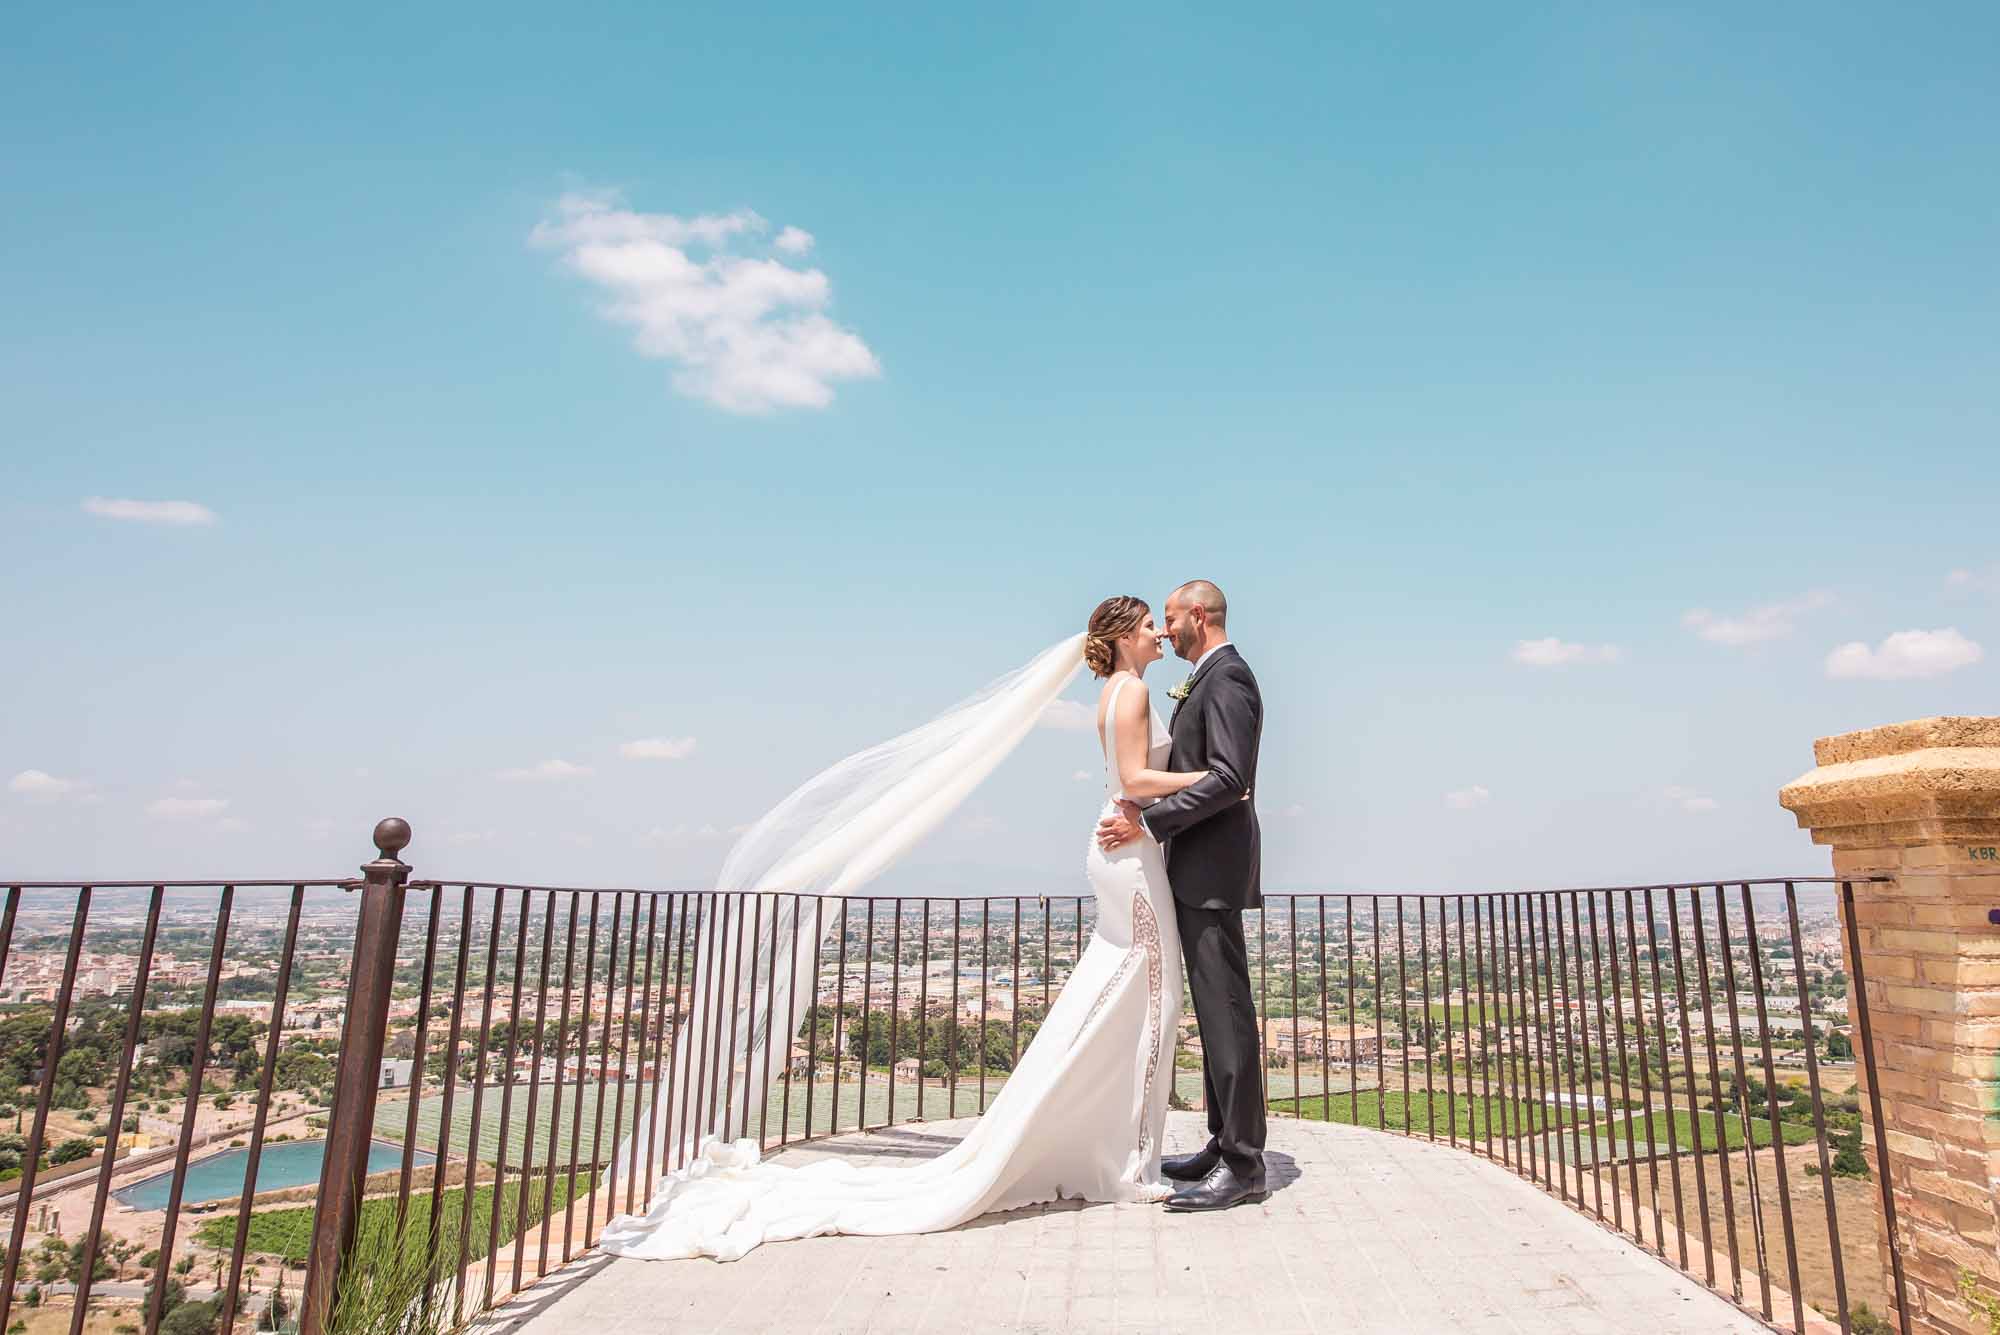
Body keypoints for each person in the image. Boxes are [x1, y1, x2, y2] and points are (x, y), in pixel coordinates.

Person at [597, 591, 1243, 1262]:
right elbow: (1137, 777)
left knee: (1114, 994)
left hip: (1114, 850)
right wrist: (1216, 776)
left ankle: (1096, 1139)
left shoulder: (1108, 692)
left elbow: (1125, 777)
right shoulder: (1132, 692)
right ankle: (1133, 1167)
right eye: (1147, 626)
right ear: (1120, 636)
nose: (1158, 635)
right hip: (1133, 857)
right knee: (1157, 1002)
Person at [1096, 579, 1267, 1211]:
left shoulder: (1228, 679)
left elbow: (1229, 778)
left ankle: (1245, 1164)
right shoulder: (1207, 676)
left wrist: (1151, 821)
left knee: (1227, 1013)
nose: (1165, 631)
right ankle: (1223, 1144)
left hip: (1213, 870)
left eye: (1170, 619)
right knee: (1216, 1012)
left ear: (1199, 614)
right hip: (1195, 867)